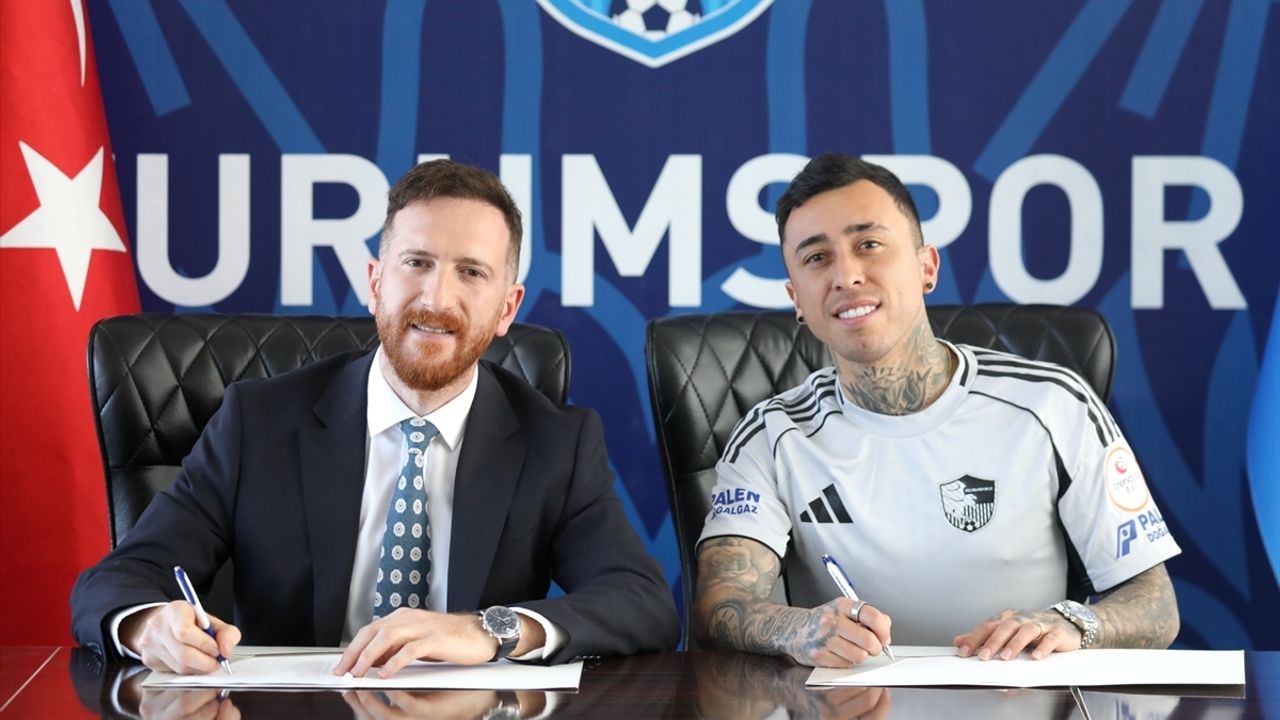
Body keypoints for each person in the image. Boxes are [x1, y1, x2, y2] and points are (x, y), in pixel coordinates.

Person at [72, 159, 679, 676]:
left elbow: (643, 601)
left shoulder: (557, 443)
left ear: (506, 309)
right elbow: (118, 579)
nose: (436, 299)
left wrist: (487, 629)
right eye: (416, 262)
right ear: (375, 282)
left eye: (471, 273)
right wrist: (148, 625)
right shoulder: (257, 422)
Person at [693, 154, 1180, 667]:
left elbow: (1155, 605)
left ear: (926, 267)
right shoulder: (771, 435)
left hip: (1021, 692)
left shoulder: (1054, 404)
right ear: (797, 299)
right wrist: (795, 628)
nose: (846, 276)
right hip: (852, 699)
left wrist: (1072, 623)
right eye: (816, 258)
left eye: (869, 245)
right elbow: (718, 606)